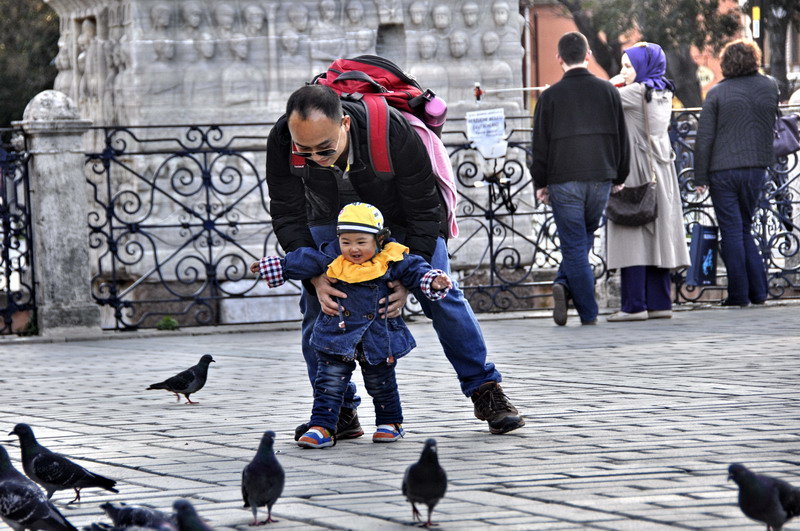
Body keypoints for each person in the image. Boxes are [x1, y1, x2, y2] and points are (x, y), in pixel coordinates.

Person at [265, 84, 525, 437]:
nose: (314, 157)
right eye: (304, 149)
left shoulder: (389, 130)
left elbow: (423, 208)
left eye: (324, 148)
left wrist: (408, 277)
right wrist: (314, 276)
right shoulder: (282, 139)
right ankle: (338, 411)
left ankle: (485, 390)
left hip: (400, 217)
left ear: (343, 124)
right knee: (319, 307)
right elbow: (286, 214)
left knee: (442, 294)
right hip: (331, 218)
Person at [251, 203, 453, 448]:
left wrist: (434, 281)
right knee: (329, 383)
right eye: (346, 242)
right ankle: (322, 426)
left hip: (378, 336)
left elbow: (418, 271)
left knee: (381, 383)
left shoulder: (392, 259)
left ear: (378, 239)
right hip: (337, 335)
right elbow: (300, 261)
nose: (353, 249)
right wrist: (274, 267)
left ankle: (391, 422)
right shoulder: (331, 258)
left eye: (361, 241)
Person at [530, 32, 630, 326]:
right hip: (601, 176)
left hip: (563, 180)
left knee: (574, 245)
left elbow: (540, 146)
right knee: (583, 238)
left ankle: (588, 311)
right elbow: (621, 138)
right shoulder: (609, 91)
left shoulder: (549, 97)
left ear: (559, 58)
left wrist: (541, 183)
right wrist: (620, 174)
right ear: (588, 55)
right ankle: (563, 283)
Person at [605, 43, 690, 321]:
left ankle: (634, 305)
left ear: (642, 67)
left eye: (628, 66)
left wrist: (613, 81)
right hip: (661, 168)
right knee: (658, 235)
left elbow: (602, 97)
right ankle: (660, 302)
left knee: (633, 232)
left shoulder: (633, 92)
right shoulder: (662, 91)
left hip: (636, 168)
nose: (623, 71)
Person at [693, 39, 777, 307]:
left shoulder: (717, 93)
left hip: (723, 170)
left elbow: (704, 138)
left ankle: (739, 294)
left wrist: (700, 178)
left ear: (726, 62)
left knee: (732, 230)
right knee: (745, 227)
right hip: (756, 167)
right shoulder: (770, 86)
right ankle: (758, 292)